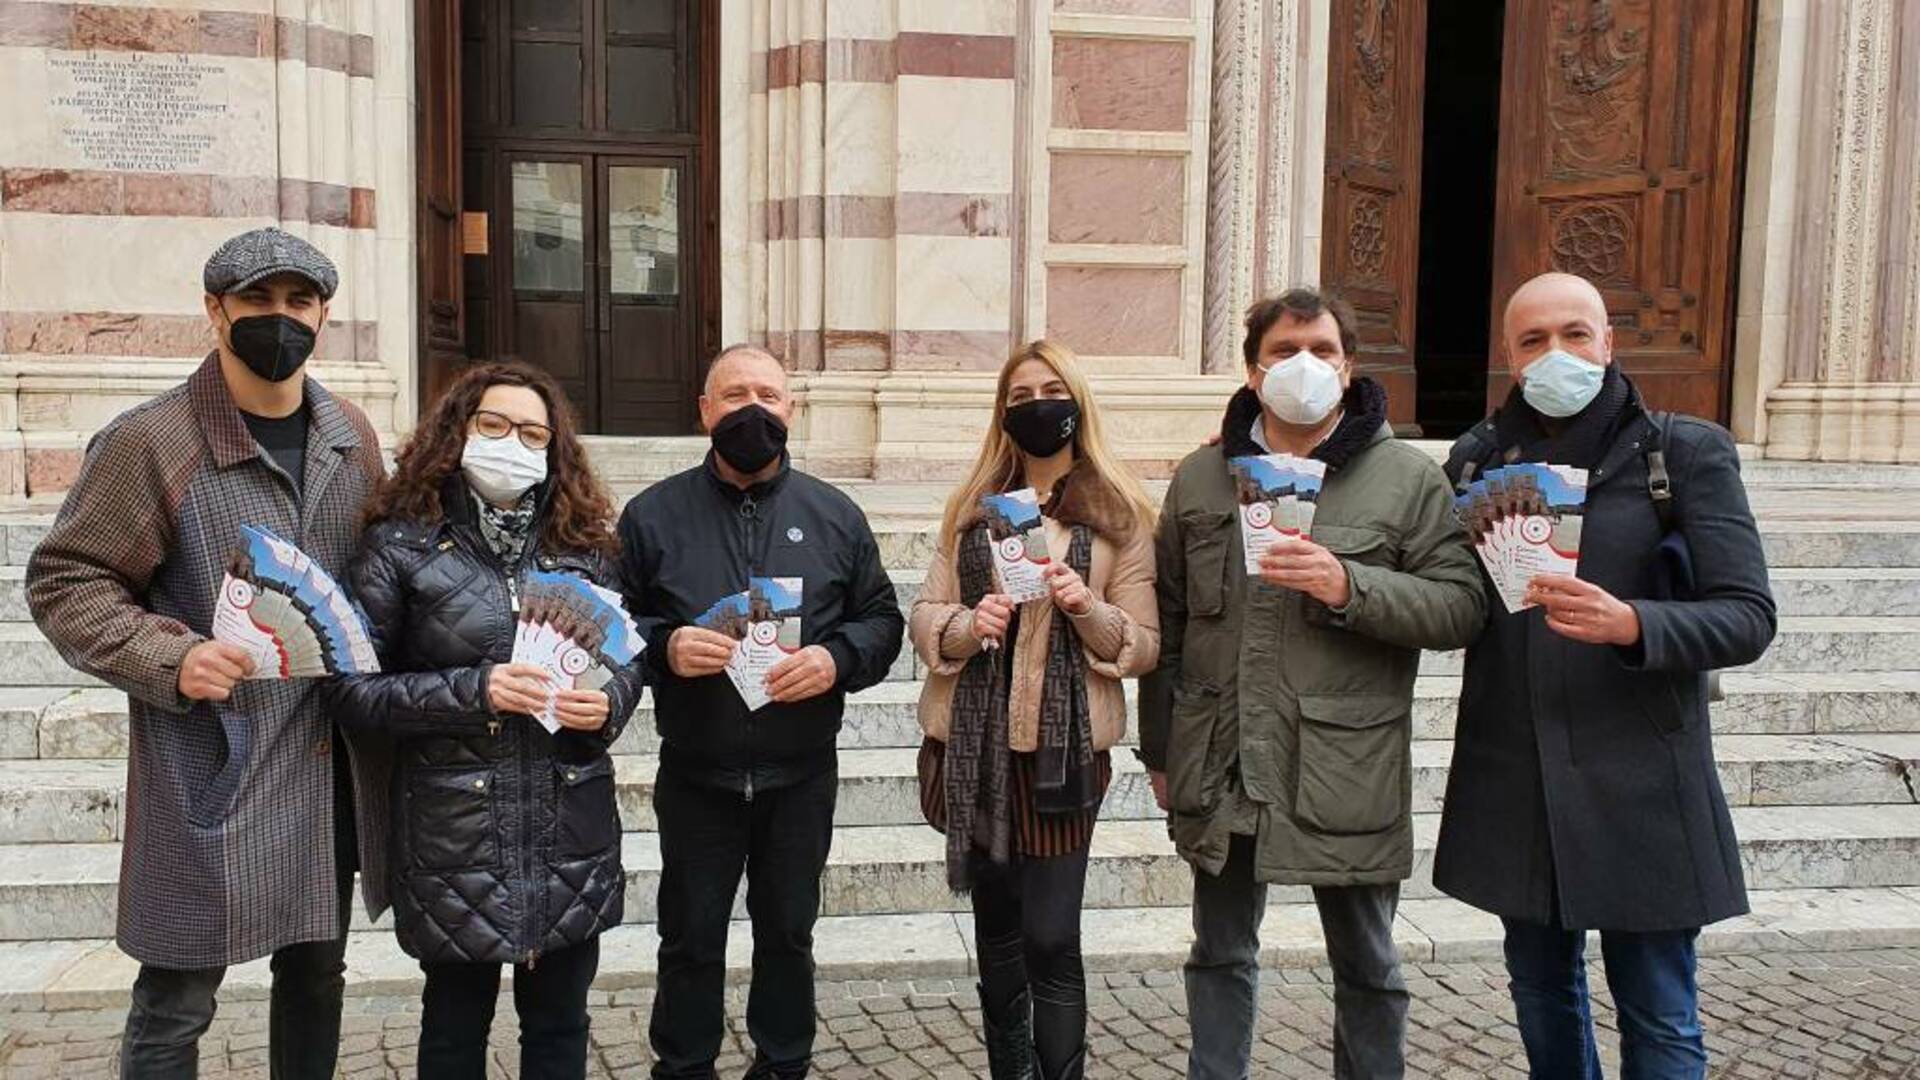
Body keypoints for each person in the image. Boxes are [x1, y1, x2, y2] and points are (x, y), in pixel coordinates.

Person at [25, 227, 387, 1077]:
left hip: (325, 761)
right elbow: (66, 581)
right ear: (214, 310)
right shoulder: (152, 440)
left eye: (298, 303)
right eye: (257, 301)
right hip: (209, 758)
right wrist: (170, 656)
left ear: (323, 315)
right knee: (177, 996)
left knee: (317, 975)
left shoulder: (351, 435)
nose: (279, 319)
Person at [1435, 271, 1777, 1079]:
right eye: (1534, 340)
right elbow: (1435, 582)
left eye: (1575, 334)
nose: (1557, 354)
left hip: (1643, 773)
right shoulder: (1477, 458)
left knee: (1659, 1009)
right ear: (1510, 358)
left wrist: (1634, 623)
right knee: (1540, 992)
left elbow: (1749, 616)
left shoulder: (1684, 452)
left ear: (1608, 342)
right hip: (1516, 771)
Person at [1139, 287, 1486, 1079]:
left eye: (1323, 351)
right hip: (1221, 752)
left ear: (1350, 364)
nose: (1306, 366)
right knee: (1219, 953)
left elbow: (1462, 608)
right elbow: (1173, 624)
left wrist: (1347, 586)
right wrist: (1160, 749)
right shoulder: (1201, 477)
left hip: (1343, 761)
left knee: (1368, 962)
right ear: (1253, 372)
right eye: (1285, 352)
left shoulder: (1405, 478)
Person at [318, 362, 643, 1079]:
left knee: (560, 1028)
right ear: (457, 432)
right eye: (492, 426)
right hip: (453, 828)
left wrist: (610, 702)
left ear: (555, 448)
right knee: (454, 1032)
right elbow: (350, 691)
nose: (511, 443)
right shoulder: (401, 546)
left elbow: (624, 661)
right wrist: (477, 690)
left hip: (569, 824)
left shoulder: (585, 547)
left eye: (532, 432)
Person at [620, 344, 906, 1079]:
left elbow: (880, 620)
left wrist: (836, 660)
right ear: (705, 411)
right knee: (689, 936)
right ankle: (683, 1065)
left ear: (792, 410)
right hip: (697, 772)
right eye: (735, 394)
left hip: (800, 772)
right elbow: (614, 627)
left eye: (769, 395)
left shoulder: (835, 516)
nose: (754, 409)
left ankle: (783, 1063)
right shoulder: (652, 516)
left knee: (788, 933)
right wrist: (664, 645)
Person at [910, 340, 1160, 1080]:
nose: (1037, 405)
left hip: (1063, 759)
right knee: (998, 936)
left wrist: (1087, 609)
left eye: (1051, 390)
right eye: (1020, 396)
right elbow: (925, 612)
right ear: (1003, 413)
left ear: (1077, 402)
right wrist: (965, 625)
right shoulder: (973, 511)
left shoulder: (1120, 517)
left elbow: (1143, 644)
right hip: (974, 751)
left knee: (1051, 937)